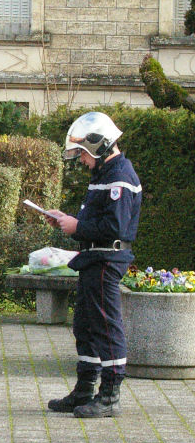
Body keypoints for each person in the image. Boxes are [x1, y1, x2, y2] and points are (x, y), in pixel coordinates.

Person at [45, 111, 141, 418]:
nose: (82, 161)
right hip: (93, 259)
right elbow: (95, 220)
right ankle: (84, 390)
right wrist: (67, 221)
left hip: (106, 260)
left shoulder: (120, 177)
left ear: (101, 145)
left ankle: (109, 396)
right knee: (85, 325)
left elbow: (116, 226)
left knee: (105, 327)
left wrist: (78, 227)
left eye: (84, 154)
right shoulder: (105, 175)